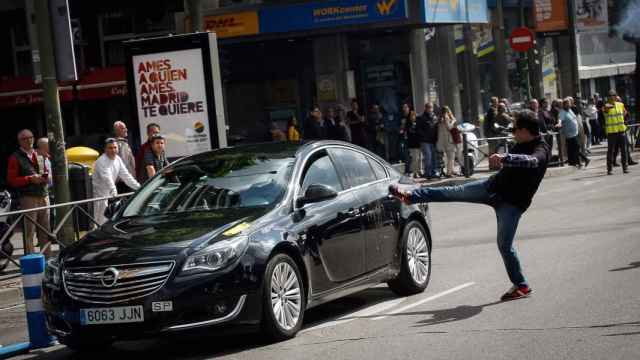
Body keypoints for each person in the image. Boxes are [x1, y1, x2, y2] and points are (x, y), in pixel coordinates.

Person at [390, 110, 550, 301]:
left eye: (515, 129)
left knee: (504, 246)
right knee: (452, 191)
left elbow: (532, 161)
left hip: (511, 204)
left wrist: (507, 158)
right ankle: (411, 196)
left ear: (525, 131)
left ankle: (521, 285)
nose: (513, 132)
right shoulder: (520, 142)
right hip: (491, 187)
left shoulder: (541, 149)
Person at [7, 130, 51, 255]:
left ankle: (47, 259)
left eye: (31, 137)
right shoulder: (15, 157)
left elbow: (46, 169)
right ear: (20, 141)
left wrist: (45, 177)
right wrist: (29, 179)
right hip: (28, 197)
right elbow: (11, 180)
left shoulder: (39, 153)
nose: (29, 140)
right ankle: (31, 260)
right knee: (29, 232)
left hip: (44, 194)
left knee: (46, 230)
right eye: (25, 138)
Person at [93, 138, 140, 225]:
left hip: (109, 192)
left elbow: (126, 175)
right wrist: (113, 190)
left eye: (115, 147)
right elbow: (107, 177)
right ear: (105, 149)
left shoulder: (118, 159)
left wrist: (138, 187)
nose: (113, 150)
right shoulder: (101, 161)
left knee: (108, 216)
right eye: (110, 148)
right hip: (99, 193)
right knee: (99, 217)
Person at [558, 98, 589, 168]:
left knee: (572, 149)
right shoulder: (562, 112)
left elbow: (574, 118)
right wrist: (559, 123)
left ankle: (574, 163)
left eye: (569, 104)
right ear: (564, 105)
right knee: (576, 148)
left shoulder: (570, 110)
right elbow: (560, 119)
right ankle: (585, 160)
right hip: (570, 134)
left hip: (575, 133)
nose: (569, 105)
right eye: (567, 104)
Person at [603, 90, 629, 174]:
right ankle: (609, 169)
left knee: (624, 150)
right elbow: (605, 110)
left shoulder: (621, 105)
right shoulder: (606, 106)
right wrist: (609, 106)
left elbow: (625, 113)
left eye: (613, 95)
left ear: (616, 96)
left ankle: (625, 167)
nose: (611, 97)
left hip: (621, 131)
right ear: (608, 97)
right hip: (612, 132)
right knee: (611, 151)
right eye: (610, 95)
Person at [418, 103, 439, 179]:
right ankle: (428, 173)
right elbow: (419, 129)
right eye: (428, 108)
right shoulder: (421, 117)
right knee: (428, 156)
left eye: (431, 108)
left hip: (433, 141)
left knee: (433, 157)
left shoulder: (434, 117)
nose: (430, 109)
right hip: (425, 141)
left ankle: (434, 172)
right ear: (425, 108)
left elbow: (436, 128)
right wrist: (424, 136)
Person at [437, 106, 459, 177]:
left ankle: (451, 170)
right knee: (451, 157)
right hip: (449, 140)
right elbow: (449, 127)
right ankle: (449, 173)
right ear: (447, 111)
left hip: (443, 140)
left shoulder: (440, 118)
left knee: (449, 156)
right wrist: (453, 121)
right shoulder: (446, 117)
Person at [406, 110, 422, 178]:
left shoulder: (418, 123)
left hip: (418, 143)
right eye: (412, 116)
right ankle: (415, 173)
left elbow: (419, 132)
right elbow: (409, 133)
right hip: (412, 144)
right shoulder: (408, 124)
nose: (413, 117)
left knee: (420, 158)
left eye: (414, 116)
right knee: (415, 159)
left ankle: (419, 171)